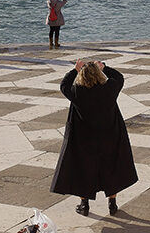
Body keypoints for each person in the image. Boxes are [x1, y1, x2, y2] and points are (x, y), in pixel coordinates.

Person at [51, 59, 138, 217]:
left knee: (84, 169)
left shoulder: (77, 91)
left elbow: (63, 85)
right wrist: (104, 67)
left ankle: (84, 205)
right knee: (112, 167)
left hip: (85, 138)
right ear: (99, 74)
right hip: (109, 135)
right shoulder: (109, 89)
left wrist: (75, 70)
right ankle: (112, 203)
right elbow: (119, 77)